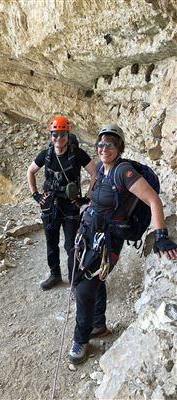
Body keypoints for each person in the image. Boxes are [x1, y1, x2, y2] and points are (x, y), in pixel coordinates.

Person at [69, 123, 177, 366]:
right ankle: (98, 324)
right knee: (84, 278)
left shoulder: (123, 171)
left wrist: (161, 236)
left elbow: (153, 200)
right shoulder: (100, 169)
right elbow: (99, 197)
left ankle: (81, 339)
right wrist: (84, 203)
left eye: (110, 144)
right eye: (100, 143)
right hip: (88, 233)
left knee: (84, 289)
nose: (103, 148)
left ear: (119, 148)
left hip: (108, 240)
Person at [27, 115, 96, 290]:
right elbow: (31, 171)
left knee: (72, 245)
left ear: (68, 134)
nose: (59, 138)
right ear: (50, 136)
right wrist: (35, 195)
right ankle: (55, 274)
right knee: (51, 242)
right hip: (50, 205)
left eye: (62, 135)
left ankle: (74, 278)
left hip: (70, 205)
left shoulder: (77, 154)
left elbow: (95, 173)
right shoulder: (47, 154)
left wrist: (86, 197)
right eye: (55, 135)